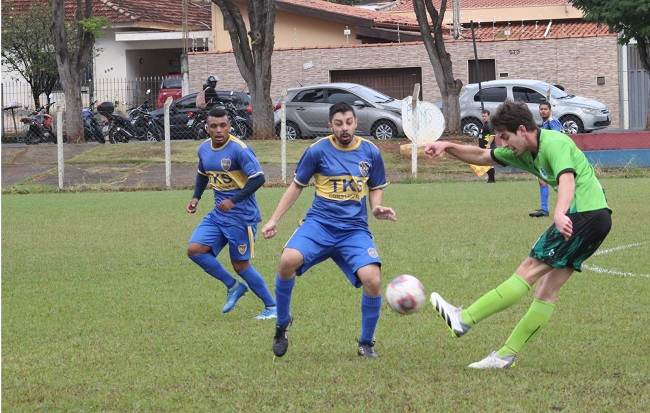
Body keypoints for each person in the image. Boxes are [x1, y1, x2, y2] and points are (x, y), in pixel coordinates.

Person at [424, 99, 612, 369]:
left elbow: (567, 179)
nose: (502, 144)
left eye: (505, 137)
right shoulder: (521, 152)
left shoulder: (554, 143)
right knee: (546, 290)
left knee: (528, 269)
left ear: (522, 130)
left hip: (583, 214)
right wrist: (447, 146)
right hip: (596, 219)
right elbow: (481, 157)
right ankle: (505, 356)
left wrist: (559, 213)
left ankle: (463, 319)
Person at [261, 101, 397, 359]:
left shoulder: (371, 152)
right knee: (287, 260)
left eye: (348, 122)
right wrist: (274, 220)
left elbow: (376, 186)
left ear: (356, 123)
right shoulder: (317, 151)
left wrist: (377, 207)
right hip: (319, 225)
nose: (344, 128)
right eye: (338, 124)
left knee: (373, 280)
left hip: (354, 230)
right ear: (330, 126)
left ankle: (366, 343)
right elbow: (296, 186)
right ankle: (281, 322)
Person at [186, 107, 277, 320]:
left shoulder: (240, 150)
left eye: (223, 125)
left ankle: (272, 307)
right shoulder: (204, 149)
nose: (219, 130)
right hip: (218, 214)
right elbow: (202, 174)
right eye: (214, 126)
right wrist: (196, 197)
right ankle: (233, 286)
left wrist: (233, 200)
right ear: (207, 128)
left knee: (240, 265)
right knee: (195, 249)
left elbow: (258, 178)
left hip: (241, 216)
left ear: (230, 126)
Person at [530, 101, 564, 217]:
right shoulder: (545, 123)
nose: (543, 111)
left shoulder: (552, 122)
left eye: (545, 109)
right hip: (548, 156)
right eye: (541, 109)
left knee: (561, 181)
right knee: (542, 180)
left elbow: (557, 137)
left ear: (550, 110)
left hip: (556, 155)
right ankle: (544, 210)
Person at [478, 109, 496, 183]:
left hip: (488, 146)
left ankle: (492, 179)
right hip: (483, 146)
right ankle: (490, 178)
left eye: (485, 116)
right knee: (485, 163)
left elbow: (492, 135)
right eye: (483, 116)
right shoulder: (484, 125)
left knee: (489, 163)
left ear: (489, 116)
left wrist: (488, 144)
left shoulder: (490, 125)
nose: (484, 117)